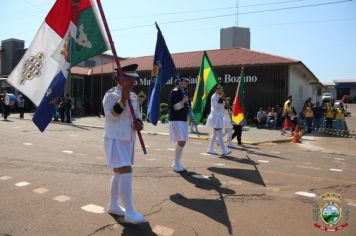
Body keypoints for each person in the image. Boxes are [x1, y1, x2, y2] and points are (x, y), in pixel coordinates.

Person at [102, 64, 145, 224]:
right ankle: (130, 212)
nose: (134, 82)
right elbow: (111, 116)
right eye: (131, 79)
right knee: (126, 171)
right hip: (115, 139)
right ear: (122, 79)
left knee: (119, 173)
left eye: (135, 79)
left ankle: (113, 205)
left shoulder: (134, 96)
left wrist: (139, 123)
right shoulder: (111, 95)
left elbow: (138, 114)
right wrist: (122, 99)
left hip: (128, 139)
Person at [168, 75, 191, 172]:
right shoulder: (175, 92)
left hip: (182, 119)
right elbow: (175, 107)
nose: (187, 83)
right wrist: (183, 101)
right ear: (180, 82)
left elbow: (187, 106)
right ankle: (176, 164)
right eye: (185, 81)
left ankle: (177, 162)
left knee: (183, 141)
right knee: (181, 141)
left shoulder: (184, 92)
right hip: (176, 119)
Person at [206, 85, 231, 156]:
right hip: (215, 117)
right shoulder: (214, 96)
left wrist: (226, 101)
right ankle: (223, 150)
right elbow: (216, 104)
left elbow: (226, 107)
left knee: (214, 134)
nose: (221, 90)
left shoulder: (221, 97)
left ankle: (210, 148)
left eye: (221, 89)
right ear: (216, 90)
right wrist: (222, 98)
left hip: (219, 117)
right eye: (219, 89)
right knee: (219, 133)